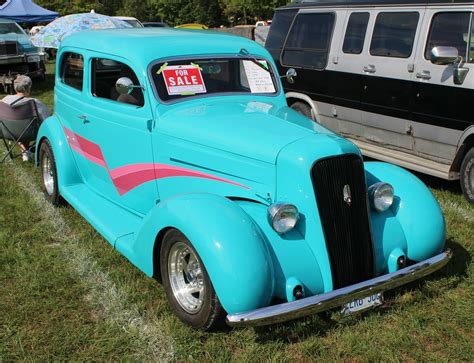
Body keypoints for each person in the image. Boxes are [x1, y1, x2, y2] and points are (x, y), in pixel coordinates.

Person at [1, 75, 51, 161]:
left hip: (7, 132)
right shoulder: (34, 103)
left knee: (21, 125)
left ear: (15, 88)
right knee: (27, 125)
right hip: (29, 133)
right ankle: (27, 152)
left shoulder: (4, 101)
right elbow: (47, 119)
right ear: (28, 88)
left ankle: (25, 152)